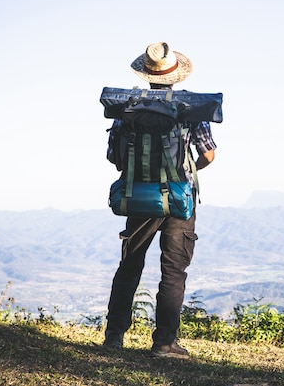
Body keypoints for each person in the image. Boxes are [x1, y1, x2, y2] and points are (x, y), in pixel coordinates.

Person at [103, 42, 216, 359]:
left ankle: (114, 337)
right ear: (175, 76)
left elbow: (115, 157)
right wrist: (187, 169)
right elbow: (208, 154)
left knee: (129, 265)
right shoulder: (189, 110)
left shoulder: (126, 110)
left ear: (147, 76)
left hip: (138, 197)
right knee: (174, 270)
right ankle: (165, 343)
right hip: (180, 199)